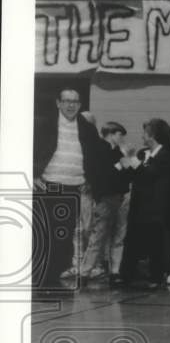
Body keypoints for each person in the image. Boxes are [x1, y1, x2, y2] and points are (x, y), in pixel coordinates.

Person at [32, 88, 113, 284]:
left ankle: (52, 279)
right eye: (67, 101)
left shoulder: (86, 127)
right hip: (48, 186)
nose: (71, 105)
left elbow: (96, 158)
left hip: (73, 189)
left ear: (79, 105)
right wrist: (34, 174)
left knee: (64, 237)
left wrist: (91, 181)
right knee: (46, 234)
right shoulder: (45, 124)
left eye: (75, 102)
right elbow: (31, 149)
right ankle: (41, 280)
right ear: (58, 103)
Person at [119, 119, 170, 290]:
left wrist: (132, 159)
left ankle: (156, 276)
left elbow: (150, 175)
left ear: (152, 136)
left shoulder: (167, 156)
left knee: (156, 242)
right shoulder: (142, 153)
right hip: (138, 205)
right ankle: (126, 276)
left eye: (145, 133)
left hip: (157, 207)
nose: (142, 137)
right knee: (131, 241)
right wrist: (124, 164)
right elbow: (134, 174)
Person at [80, 122, 131, 282]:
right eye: (119, 135)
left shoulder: (116, 151)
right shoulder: (99, 149)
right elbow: (102, 174)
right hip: (106, 197)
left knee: (118, 236)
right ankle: (84, 272)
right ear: (111, 133)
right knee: (99, 235)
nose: (121, 138)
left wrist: (125, 163)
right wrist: (121, 164)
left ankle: (114, 271)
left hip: (119, 196)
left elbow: (126, 174)